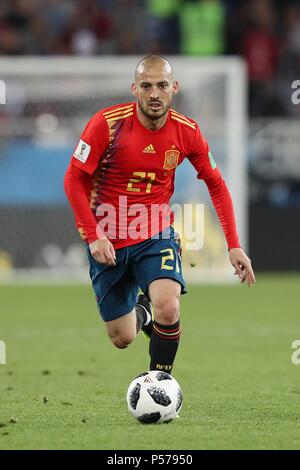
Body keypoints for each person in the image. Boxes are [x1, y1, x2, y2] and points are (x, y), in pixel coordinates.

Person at [64, 55, 255, 374]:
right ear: (134, 89)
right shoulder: (107, 124)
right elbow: (73, 179)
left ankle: (160, 380)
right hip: (107, 238)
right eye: (147, 86)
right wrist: (94, 235)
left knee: (168, 307)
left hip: (156, 234)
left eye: (162, 85)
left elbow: (217, 185)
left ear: (174, 88)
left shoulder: (187, 132)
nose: (155, 93)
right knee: (122, 337)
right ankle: (143, 311)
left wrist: (233, 244)